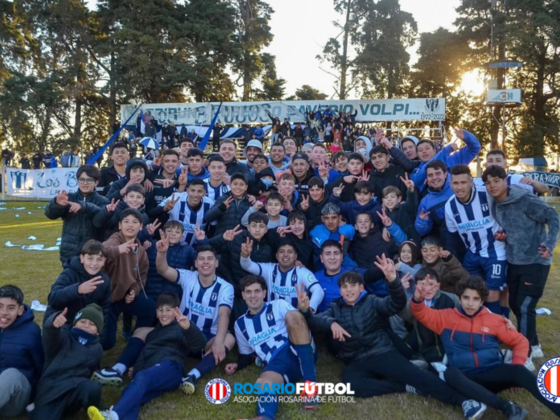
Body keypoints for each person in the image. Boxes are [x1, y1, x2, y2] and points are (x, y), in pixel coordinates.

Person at [302, 263, 487, 419]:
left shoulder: (372, 301)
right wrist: (327, 320)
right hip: (356, 358)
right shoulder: (336, 308)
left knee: (420, 377)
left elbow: (395, 303)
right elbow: (315, 321)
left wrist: (392, 280)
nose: (349, 290)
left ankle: (465, 400)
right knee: (351, 386)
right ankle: (402, 386)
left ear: (361, 288)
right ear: (340, 290)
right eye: (344, 286)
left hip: (382, 352)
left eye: (353, 285)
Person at [411, 276, 560, 418]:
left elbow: (520, 341)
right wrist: (418, 299)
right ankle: (507, 407)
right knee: (450, 373)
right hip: (465, 378)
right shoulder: (445, 317)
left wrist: (517, 362)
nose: (470, 303)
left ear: (482, 301)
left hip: (491, 373)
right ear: (460, 298)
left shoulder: (495, 320)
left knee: (519, 371)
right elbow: (421, 312)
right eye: (466, 298)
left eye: (475, 299)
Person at [87, 293, 208, 420]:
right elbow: (146, 355)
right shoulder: (153, 334)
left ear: (176, 311)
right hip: (155, 372)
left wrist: (189, 328)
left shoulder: (180, 329)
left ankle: (112, 415)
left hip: (171, 367)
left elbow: (200, 344)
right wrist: (137, 369)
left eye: (168, 310)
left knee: (141, 378)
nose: (164, 314)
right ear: (156, 313)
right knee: (131, 395)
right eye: (160, 310)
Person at [483, 165, 560, 361]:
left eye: (496, 181)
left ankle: (522, 355)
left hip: (536, 261)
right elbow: (516, 227)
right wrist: (505, 237)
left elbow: (553, 216)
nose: (492, 186)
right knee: (517, 305)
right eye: (488, 183)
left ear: (505, 181)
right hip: (514, 260)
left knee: (525, 306)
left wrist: (549, 243)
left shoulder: (524, 199)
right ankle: (534, 345)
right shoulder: (495, 203)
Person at [225, 275, 318, 420]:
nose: (253, 295)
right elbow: (246, 355)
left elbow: (298, 323)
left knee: (294, 316)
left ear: (264, 293)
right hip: (276, 364)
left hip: (294, 348)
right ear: (243, 295)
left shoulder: (278, 304)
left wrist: (304, 311)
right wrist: (237, 364)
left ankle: (311, 386)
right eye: (248, 292)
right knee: (262, 383)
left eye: (257, 291)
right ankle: (266, 417)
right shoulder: (240, 324)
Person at [155, 243, 235, 394]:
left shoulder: (226, 287)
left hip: (205, 340)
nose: (205, 262)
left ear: (216, 263)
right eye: (202, 259)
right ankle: (123, 368)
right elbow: (163, 269)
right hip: (183, 332)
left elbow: (224, 314)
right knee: (142, 331)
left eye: (210, 259)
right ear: (196, 263)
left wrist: (218, 342)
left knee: (229, 339)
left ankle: (192, 376)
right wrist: (161, 253)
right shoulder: (188, 276)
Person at [445, 165, 507, 316]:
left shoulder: (486, 194)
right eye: (456, 183)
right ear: (450, 184)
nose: (460, 187)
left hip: (495, 253)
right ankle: (477, 329)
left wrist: (506, 232)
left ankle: (496, 332)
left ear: (471, 182)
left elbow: (507, 210)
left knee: (492, 294)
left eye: (463, 182)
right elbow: (453, 236)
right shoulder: (450, 206)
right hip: (472, 255)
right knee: (472, 293)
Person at [32, 304, 104, 420]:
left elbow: (91, 370)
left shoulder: (97, 349)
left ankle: (96, 413)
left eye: (92, 324)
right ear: (75, 323)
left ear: (97, 332)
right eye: (82, 321)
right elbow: (50, 335)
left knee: (93, 387)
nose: (86, 326)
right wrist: (53, 324)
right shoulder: (64, 336)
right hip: (51, 393)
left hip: (74, 392)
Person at [102, 209, 156, 350]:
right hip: (108, 300)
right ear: (120, 225)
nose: (130, 225)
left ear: (141, 226)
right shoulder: (113, 241)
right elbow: (96, 253)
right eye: (126, 222)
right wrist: (116, 250)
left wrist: (134, 290)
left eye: (134, 222)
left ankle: (137, 337)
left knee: (149, 307)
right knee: (107, 343)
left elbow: (142, 275)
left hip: (126, 297)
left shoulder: (140, 249)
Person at [45, 240, 111, 342]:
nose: (94, 263)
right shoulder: (69, 273)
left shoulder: (104, 280)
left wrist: (100, 338)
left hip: (87, 324)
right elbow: (53, 298)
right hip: (65, 322)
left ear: (104, 261)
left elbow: (104, 309)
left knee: (108, 342)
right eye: (90, 258)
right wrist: (78, 290)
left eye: (99, 259)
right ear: (82, 258)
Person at [45, 165, 109, 265]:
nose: (85, 183)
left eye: (89, 180)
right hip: (69, 253)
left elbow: (102, 220)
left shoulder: (102, 201)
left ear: (96, 182)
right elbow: (50, 214)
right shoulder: (69, 198)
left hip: (93, 254)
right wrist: (56, 203)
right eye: (82, 179)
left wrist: (84, 207)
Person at [240, 239, 325, 312]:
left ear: (295, 256)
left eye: (290, 252)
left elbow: (318, 291)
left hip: (297, 320)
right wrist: (245, 255)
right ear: (276, 256)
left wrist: (308, 310)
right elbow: (248, 266)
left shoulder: (303, 272)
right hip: (274, 320)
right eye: (281, 251)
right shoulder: (269, 269)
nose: (285, 255)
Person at [0, 285, 43, 417]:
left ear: (20, 310)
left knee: (11, 375)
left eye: (11, 308)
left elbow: (42, 368)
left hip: (16, 398)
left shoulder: (31, 332)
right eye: (0, 306)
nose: (4, 312)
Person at [398, 268, 459, 363]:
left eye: (431, 284)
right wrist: (399, 292)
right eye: (422, 284)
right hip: (426, 347)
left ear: (438, 285)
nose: (427, 289)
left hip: (450, 344)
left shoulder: (452, 298)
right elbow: (402, 313)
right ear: (415, 286)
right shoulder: (412, 302)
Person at [157, 179, 214, 246]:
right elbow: (152, 213)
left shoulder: (210, 204)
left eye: (199, 191)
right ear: (187, 190)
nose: (196, 194)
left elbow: (213, 226)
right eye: (193, 190)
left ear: (204, 192)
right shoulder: (176, 198)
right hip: (171, 244)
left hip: (195, 247)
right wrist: (165, 208)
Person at [473, 149, 548, 194]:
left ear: (505, 164)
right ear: (486, 164)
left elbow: (545, 189)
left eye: (498, 160)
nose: (494, 163)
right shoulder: (477, 183)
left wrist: (533, 183)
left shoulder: (517, 179)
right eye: (490, 161)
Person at [310, 203, 356, 269]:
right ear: (322, 219)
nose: (330, 221)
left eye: (334, 217)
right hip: (323, 272)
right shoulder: (316, 232)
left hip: (347, 269)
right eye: (326, 218)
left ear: (339, 218)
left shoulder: (348, 231)